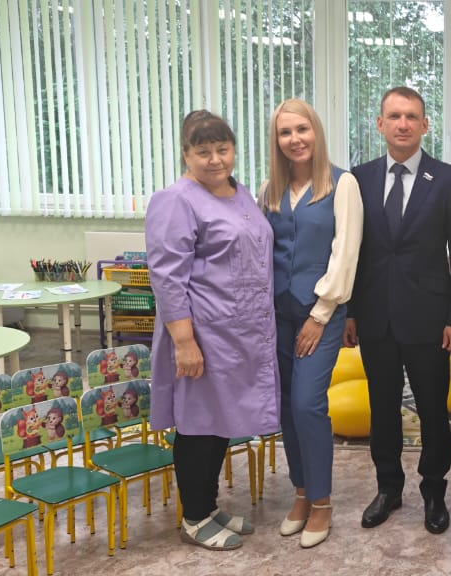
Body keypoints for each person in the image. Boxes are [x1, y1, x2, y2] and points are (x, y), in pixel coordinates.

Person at [145, 110, 278, 551]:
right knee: (198, 425)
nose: (215, 160)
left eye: (223, 149)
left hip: (239, 334)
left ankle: (209, 504)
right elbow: (168, 277)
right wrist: (184, 342)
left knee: (221, 421)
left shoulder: (241, 193)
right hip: (202, 333)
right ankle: (195, 516)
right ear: (186, 154)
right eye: (203, 152)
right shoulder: (176, 200)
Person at [345, 87, 451, 535]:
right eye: (394, 116)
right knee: (382, 408)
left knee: (433, 409)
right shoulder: (357, 179)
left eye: (412, 116)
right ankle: (388, 488)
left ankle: (434, 492)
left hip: (430, 319)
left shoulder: (450, 180)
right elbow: (351, 252)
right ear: (380, 123)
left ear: (424, 125)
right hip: (375, 317)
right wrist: (350, 311)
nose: (403, 124)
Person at [261, 99, 363, 549]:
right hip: (278, 314)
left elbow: (346, 254)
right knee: (286, 406)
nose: (295, 139)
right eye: (285, 132)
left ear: (316, 132)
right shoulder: (269, 189)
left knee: (307, 404)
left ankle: (322, 501)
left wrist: (320, 315)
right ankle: (301, 493)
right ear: (276, 140)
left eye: (302, 129)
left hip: (320, 313)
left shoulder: (343, 184)